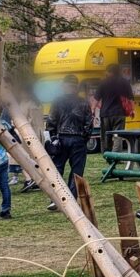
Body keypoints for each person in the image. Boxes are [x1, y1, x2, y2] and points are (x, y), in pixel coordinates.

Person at [46, 74, 92, 208]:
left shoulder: (57, 101)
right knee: (77, 171)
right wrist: (84, 138)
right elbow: (89, 123)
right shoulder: (83, 102)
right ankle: (71, 200)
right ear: (76, 86)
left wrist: (53, 138)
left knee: (57, 169)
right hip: (78, 139)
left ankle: (56, 198)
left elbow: (51, 121)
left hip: (61, 138)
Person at [94, 63, 134, 154]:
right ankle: (116, 156)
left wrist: (92, 110)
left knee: (106, 135)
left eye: (107, 72)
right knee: (118, 136)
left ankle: (106, 154)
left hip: (105, 114)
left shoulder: (103, 83)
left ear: (110, 72)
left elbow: (96, 99)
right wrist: (132, 110)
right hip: (120, 113)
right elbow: (131, 98)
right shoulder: (125, 82)